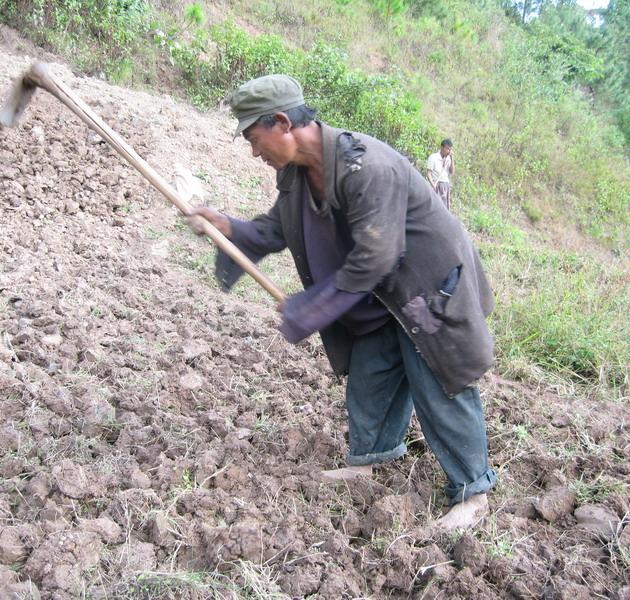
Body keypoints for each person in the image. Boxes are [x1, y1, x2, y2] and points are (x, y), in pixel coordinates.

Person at [188, 75, 496, 531]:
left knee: (438, 381)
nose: (255, 152)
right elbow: (276, 230)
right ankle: (372, 456)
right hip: (381, 290)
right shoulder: (296, 175)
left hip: (426, 286)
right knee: (372, 370)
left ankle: (474, 491)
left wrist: (306, 308)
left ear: (281, 122)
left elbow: (374, 259)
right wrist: (226, 227)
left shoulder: (366, 168)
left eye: (255, 138)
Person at [427, 139, 454, 211]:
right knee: (436, 207)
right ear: (442, 147)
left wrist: (452, 158)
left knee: (445, 208)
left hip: (445, 185)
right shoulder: (433, 157)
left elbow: (452, 172)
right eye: (447, 148)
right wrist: (433, 184)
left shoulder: (449, 159)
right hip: (437, 185)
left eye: (450, 149)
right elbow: (429, 173)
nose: (449, 151)